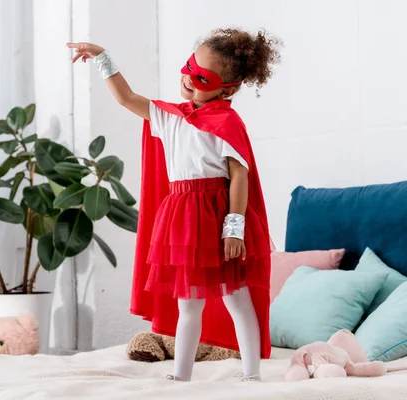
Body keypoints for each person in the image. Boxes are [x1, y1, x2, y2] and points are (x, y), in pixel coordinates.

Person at [68, 28, 280, 382]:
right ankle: (182, 376)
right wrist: (103, 58)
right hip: (183, 219)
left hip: (216, 215)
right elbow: (125, 97)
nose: (188, 78)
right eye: (189, 67)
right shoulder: (170, 116)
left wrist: (234, 227)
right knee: (188, 302)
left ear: (227, 88)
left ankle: (251, 374)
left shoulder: (227, 123)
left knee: (236, 298)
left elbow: (239, 176)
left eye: (202, 77)